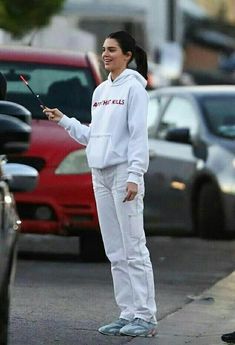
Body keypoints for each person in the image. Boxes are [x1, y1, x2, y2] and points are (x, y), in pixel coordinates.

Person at [43, 30, 157, 337]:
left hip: (123, 175)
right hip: (101, 175)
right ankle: (127, 313)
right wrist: (64, 120)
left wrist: (135, 175)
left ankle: (146, 316)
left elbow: (137, 137)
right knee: (115, 251)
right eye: (103, 49)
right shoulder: (101, 91)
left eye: (112, 50)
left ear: (127, 55)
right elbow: (94, 135)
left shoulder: (134, 90)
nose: (105, 54)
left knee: (134, 248)